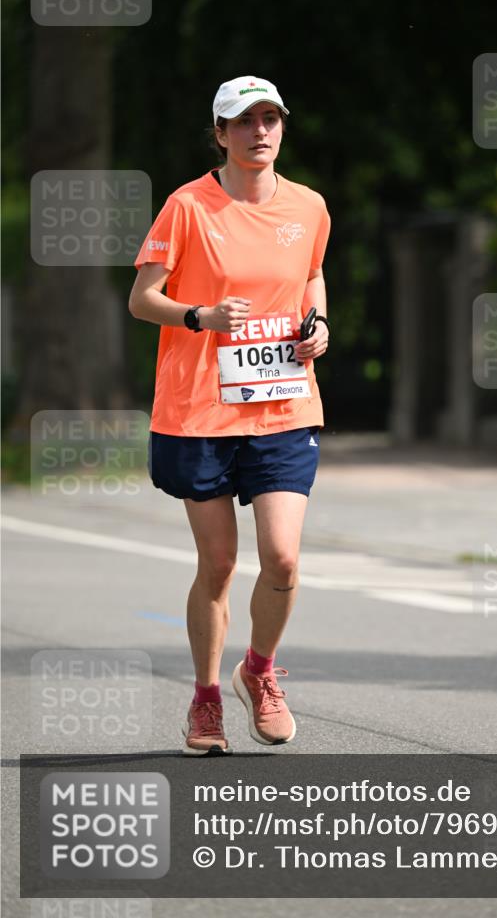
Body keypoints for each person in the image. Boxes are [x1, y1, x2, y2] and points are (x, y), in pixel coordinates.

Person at [128, 75, 330, 754]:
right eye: (243, 122)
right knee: (217, 565)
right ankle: (206, 698)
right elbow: (141, 298)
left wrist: (319, 325)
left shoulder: (308, 206)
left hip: (283, 404)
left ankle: (260, 671)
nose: (259, 132)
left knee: (282, 559)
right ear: (219, 133)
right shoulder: (187, 207)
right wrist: (199, 316)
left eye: (270, 119)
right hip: (200, 411)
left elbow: (309, 275)